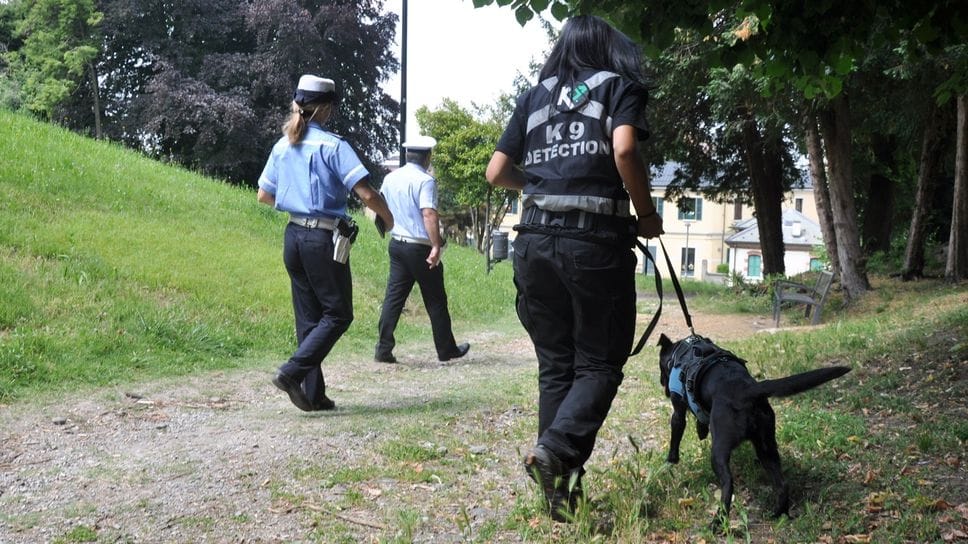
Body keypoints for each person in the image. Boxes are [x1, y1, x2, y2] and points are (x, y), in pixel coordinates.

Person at [484, 15, 663, 520]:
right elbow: (624, 148)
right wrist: (646, 215)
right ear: (609, 48)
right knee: (600, 364)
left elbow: (497, 172)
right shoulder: (619, 88)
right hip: (593, 245)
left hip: (534, 243)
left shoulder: (535, 96)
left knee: (557, 368)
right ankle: (557, 452)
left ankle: (560, 498)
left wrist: (544, 188)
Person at [257, 74, 394, 412]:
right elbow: (365, 193)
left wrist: (297, 206)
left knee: (308, 317)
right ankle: (291, 372)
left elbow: (264, 195)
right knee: (338, 314)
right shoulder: (334, 146)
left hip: (293, 236)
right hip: (322, 238)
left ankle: (313, 394)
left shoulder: (282, 146)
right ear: (326, 108)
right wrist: (389, 219)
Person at [374, 135, 470, 364]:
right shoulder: (426, 181)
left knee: (394, 298)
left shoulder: (390, 178)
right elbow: (428, 213)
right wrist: (436, 245)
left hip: (397, 244)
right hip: (420, 247)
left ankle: (383, 348)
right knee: (435, 299)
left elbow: (381, 206)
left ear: (408, 156)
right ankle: (446, 349)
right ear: (427, 157)